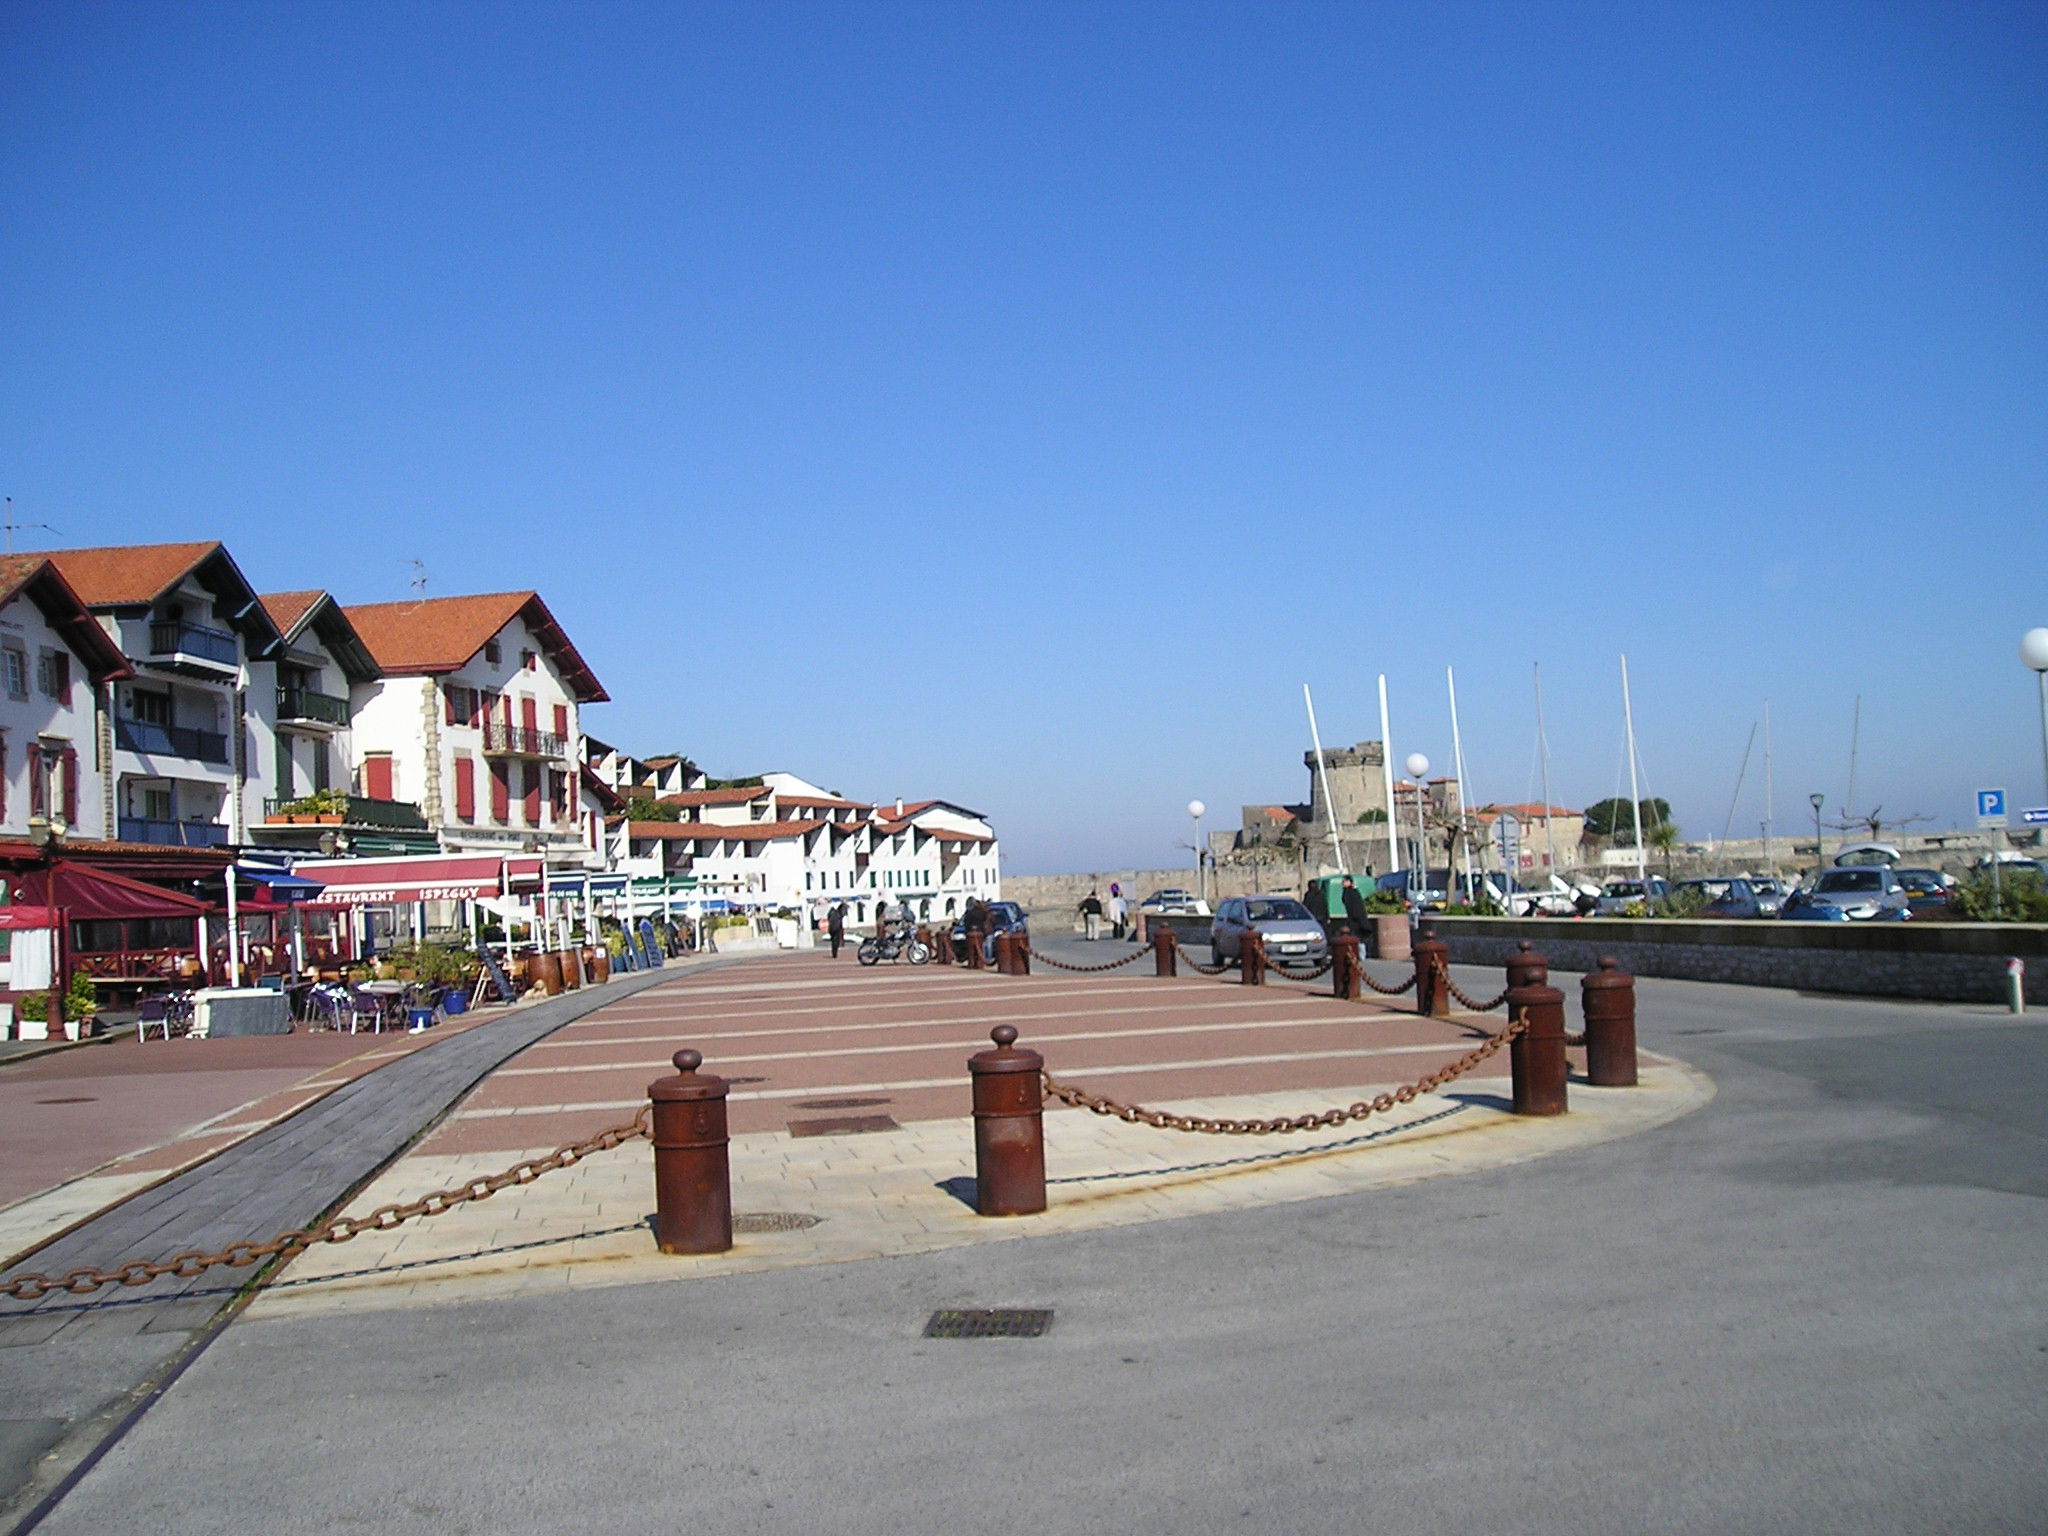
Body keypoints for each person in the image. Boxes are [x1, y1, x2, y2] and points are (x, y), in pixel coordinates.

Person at [1340, 875, 1369, 941]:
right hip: (1353, 920)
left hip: (1357, 921)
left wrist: (1356, 919)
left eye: (1344, 881)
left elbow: (1357, 907)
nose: (1342, 883)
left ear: (1349, 882)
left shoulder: (1352, 892)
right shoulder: (1346, 891)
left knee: (1360, 941)